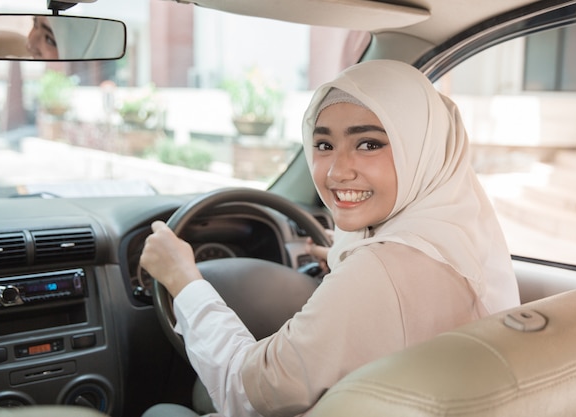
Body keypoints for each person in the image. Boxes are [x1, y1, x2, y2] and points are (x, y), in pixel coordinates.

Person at [139, 59, 521, 417]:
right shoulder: (456, 239)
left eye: (368, 144)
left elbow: (248, 393)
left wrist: (184, 280)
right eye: (324, 145)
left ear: (422, 150)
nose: (337, 172)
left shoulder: (378, 271)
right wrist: (342, 257)